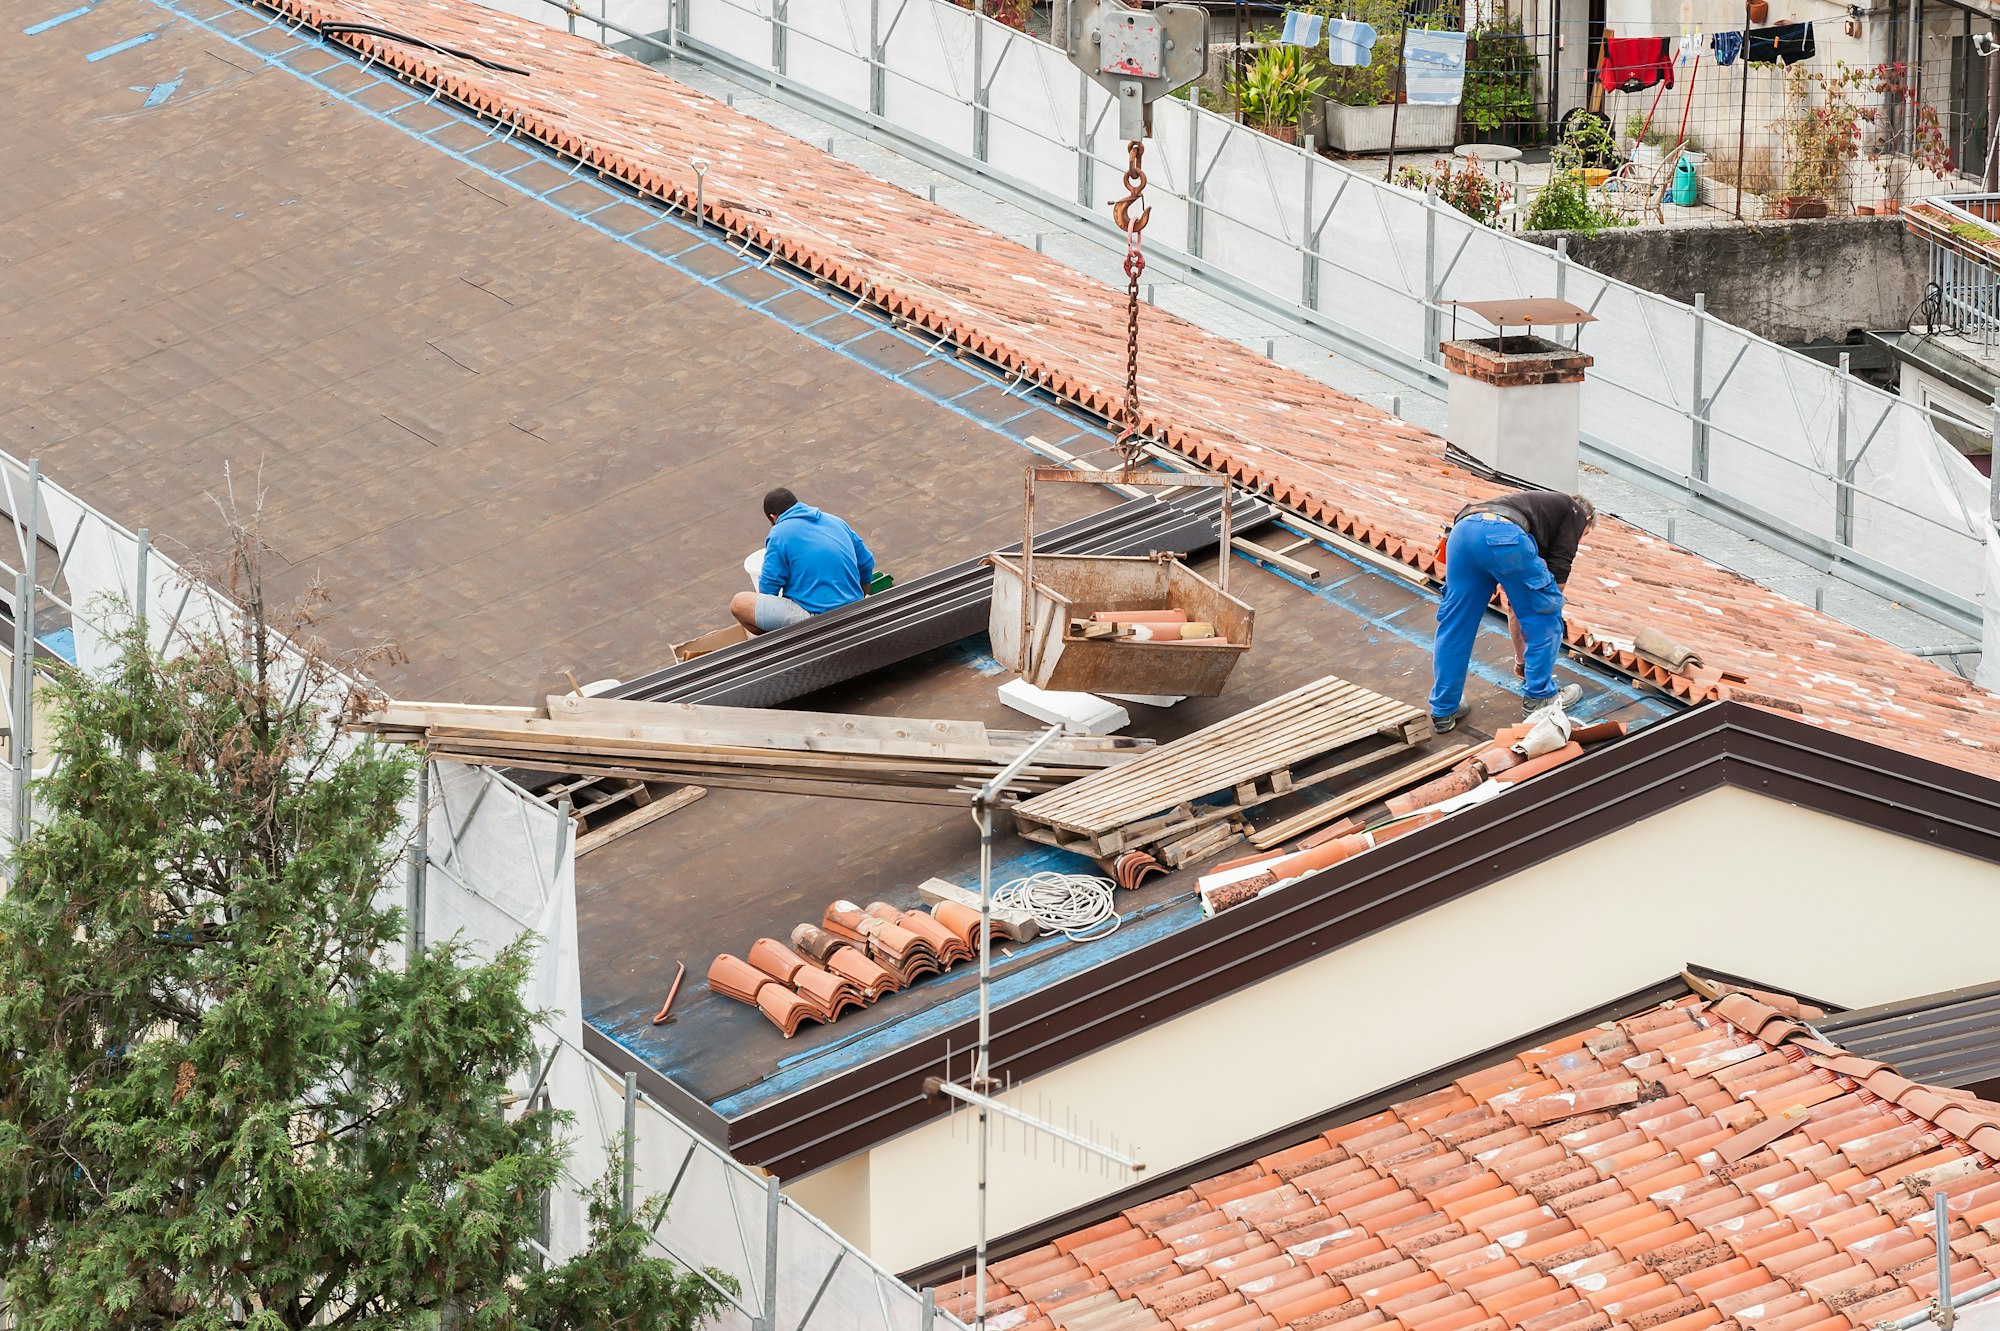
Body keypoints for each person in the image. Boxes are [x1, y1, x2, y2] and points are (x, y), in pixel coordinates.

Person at [1428, 490, 1597, 732]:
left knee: (1455, 625)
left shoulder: (1535, 509)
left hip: (1463, 532)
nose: (1578, 541)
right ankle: (1540, 698)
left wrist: (1521, 660)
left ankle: (1444, 709)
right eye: (1584, 536)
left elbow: (1514, 608)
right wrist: (1549, 602)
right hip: (1501, 535)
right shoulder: (1576, 511)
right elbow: (1558, 572)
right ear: (1587, 521)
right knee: (1546, 617)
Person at [730, 488, 877, 635]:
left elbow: (769, 587)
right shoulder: (835, 521)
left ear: (773, 517)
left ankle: (782, 643)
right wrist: (858, 600)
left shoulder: (779, 533)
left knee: (740, 604)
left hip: (817, 618)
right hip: (854, 606)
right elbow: (866, 563)